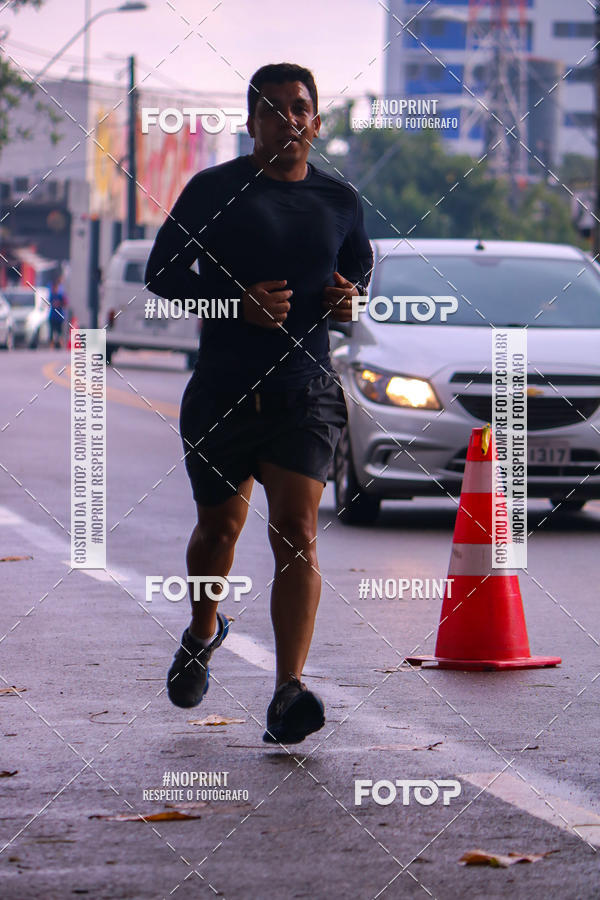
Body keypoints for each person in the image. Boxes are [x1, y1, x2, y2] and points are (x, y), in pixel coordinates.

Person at [145, 62, 372, 745]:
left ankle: (287, 690)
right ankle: (202, 630)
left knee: (297, 532)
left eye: (299, 108)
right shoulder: (214, 191)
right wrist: (234, 305)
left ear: (317, 122)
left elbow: (358, 272)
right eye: (271, 109)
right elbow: (162, 276)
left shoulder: (340, 200)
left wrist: (349, 300)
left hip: (305, 390)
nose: (287, 119)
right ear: (251, 123)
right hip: (223, 391)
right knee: (219, 531)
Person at [48, 278, 67, 349]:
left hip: (59, 316)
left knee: (60, 332)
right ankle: (51, 345)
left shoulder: (60, 295)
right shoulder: (52, 296)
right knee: (52, 332)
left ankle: (60, 344)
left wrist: (60, 303)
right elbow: (50, 303)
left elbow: (65, 303)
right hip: (52, 316)